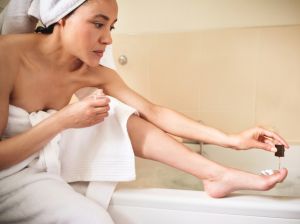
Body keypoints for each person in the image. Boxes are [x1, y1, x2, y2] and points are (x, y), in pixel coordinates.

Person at [0, 0, 289, 223]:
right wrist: (63, 120)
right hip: (9, 177)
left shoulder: (93, 73)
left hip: (43, 160)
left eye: (111, 26)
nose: (108, 39)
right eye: (98, 24)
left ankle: (215, 175)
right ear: (62, 18)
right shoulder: (7, 55)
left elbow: (154, 112)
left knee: (117, 114)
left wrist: (233, 140)